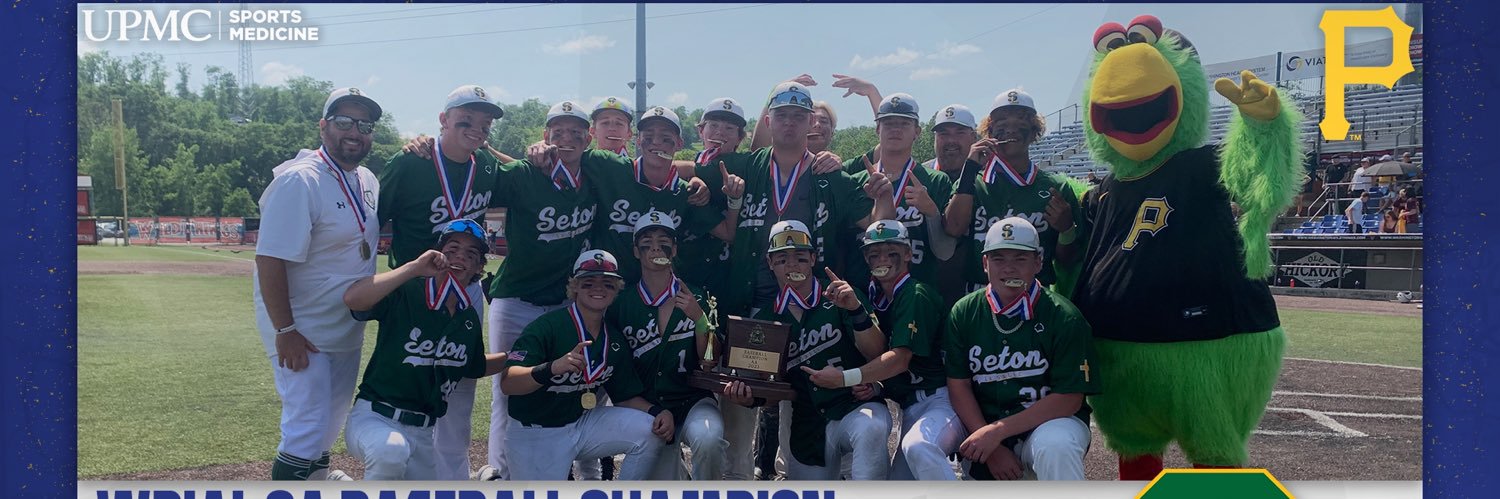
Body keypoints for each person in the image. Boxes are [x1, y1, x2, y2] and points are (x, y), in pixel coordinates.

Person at [688, 81, 883, 480]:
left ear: (812, 123)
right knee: (739, 411)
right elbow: (692, 173)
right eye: (782, 115)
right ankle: (739, 482)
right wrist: (693, 186)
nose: (790, 123)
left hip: (812, 309)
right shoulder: (747, 165)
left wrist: (882, 194)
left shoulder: (830, 173)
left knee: (805, 403)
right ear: (769, 121)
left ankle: (795, 472)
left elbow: (875, 224)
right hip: (753, 304)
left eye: (799, 116)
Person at [376, 84, 505, 480]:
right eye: (465, 119)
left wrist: (493, 150)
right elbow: (372, 221)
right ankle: (397, 469)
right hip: (416, 290)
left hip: (465, 290)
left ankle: (453, 481)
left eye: (484, 124)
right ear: (443, 120)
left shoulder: (485, 166)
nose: (476, 128)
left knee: (459, 393)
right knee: (407, 381)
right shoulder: (409, 161)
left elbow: (529, 178)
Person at [253, 87, 383, 481]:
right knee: (306, 428)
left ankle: (317, 483)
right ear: (324, 125)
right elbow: (269, 258)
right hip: (303, 330)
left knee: (327, 428)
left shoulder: (366, 180)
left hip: (344, 327)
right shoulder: (300, 180)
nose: (355, 131)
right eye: (344, 121)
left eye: (364, 124)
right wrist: (285, 330)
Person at [483, 101, 602, 480]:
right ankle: (500, 472)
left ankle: (576, 471)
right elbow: (473, 175)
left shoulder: (597, 171)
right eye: (558, 131)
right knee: (507, 388)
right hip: (516, 298)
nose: (566, 138)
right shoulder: (525, 171)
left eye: (575, 131)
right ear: (545, 136)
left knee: (571, 384)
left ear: (589, 138)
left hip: (564, 303)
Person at [341, 220, 511, 480]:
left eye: (470, 255)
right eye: (452, 249)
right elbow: (354, 299)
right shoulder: (409, 291)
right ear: (437, 254)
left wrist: (519, 355)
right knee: (390, 451)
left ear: (479, 267)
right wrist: (414, 268)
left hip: (423, 433)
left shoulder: (467, 318)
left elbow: (474, 365)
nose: (459, 258)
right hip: (376, 418)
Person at [944, 217, 1099, 480]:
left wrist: (997, 431)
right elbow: (959, 386)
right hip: (986, 430)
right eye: (999, 259)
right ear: (985, 263)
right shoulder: (965, 311)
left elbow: (1069, 398)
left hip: (1051, 424)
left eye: (1020, 259)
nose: (1009, 269)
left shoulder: (1064, 316)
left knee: (1056, 447)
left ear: (1038, 262)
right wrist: (991, 447)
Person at [499, 249, 674, 481]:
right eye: (588, 283)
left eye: (608, 284)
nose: (598, 289)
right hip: (537, 431)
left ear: (616, 290)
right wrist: (551, 368)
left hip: (581, 423)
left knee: (649, 429)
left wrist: (658, 412)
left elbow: (625, 396)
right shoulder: (547, 327)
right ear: (575, 288)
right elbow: (509, 382)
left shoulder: (613, 338)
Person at [803, 220, 956, 480]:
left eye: (892, 251)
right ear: (866, 257)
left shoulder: (915, 293)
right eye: (875, 253)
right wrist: (874, 385)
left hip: (938, 401)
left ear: (908, 253)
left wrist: (845, 378)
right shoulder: (874, 295)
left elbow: (900, 360)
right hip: (909, 404)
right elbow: (881, 355)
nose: (882, 258)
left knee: (920, 447)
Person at [740, 221, 891, 480]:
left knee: (872, 427)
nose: (792, 265)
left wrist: (855, 309)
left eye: (800, 257)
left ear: (812, 258)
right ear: (770, 263)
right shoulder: (766, 319)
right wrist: (750, 397)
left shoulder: (841, 295)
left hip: (853, 406)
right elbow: (772, 391)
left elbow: (876, 352)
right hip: (807, 427)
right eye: (782, 259)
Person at [608, 211, 728, 479]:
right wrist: (651, 410)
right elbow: (619, 374)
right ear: (636, 252)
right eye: (646, 242)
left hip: (693, 400)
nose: (655, 248)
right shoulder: (621, 304)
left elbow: (709, 361)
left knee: (708, 439)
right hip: (648, 408)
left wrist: (699, 319)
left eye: (663, 242)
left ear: (673, 249)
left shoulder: (698, 295)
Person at [944, 88, 1082, 293]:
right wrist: (970, 169)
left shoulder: (1056, 188)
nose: (1011, 129)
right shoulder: (972, 183)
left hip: (1035, 295)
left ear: (1035, 132)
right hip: (979, 296)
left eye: (1021, 123)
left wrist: (1067, 229)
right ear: (990, 132)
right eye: (1002, 123)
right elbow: (953, 228)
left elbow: (1069, 260)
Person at [843, 93, 956, 288]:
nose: (895, 129)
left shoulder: (936, 180)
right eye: (888, 123)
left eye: (904, 123)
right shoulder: (855, 182)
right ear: (877, 129)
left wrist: (931, 211)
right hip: (864, 291)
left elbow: (945, 252)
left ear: (917, 132)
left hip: (917, 291)